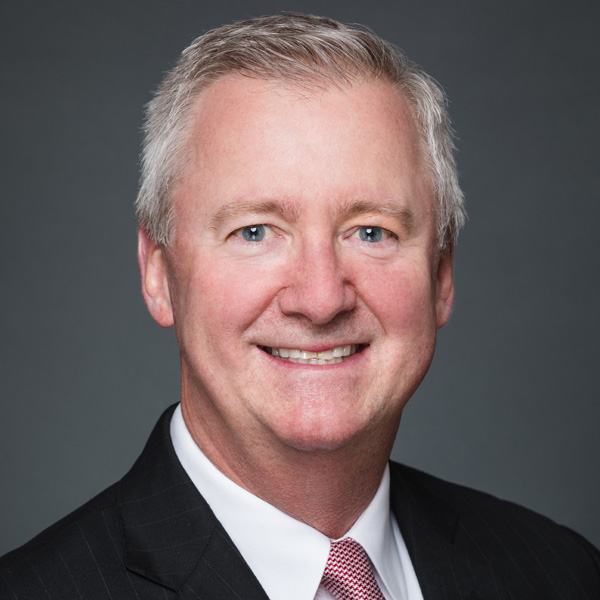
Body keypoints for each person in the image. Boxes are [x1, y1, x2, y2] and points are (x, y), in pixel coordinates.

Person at [1, 13, 598, 600]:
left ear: (440, 275)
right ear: (158, 273)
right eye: (255, 232)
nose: (320, 299)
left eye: (371, 232)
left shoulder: (562, 574)